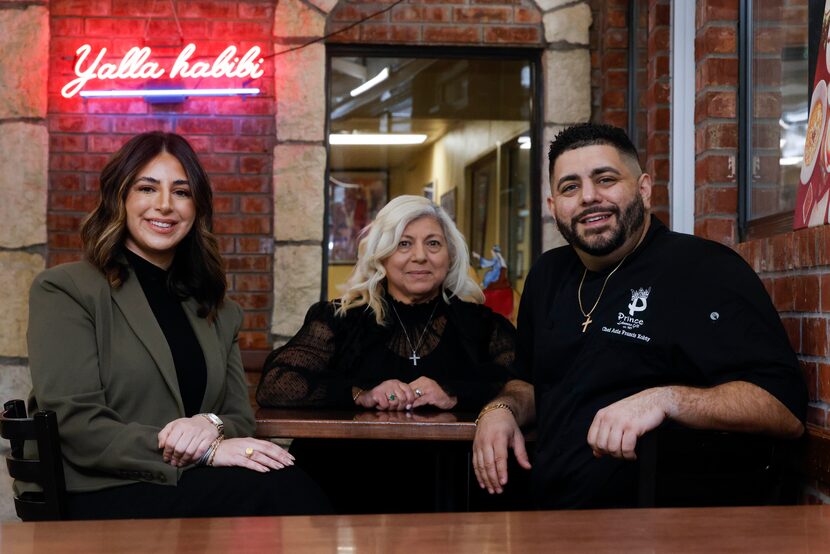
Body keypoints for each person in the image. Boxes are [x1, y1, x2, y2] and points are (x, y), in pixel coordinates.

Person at [472, 123, 808, 509]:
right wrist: (501, 410)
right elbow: (530, 382)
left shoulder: (704, 270)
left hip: (665, 531)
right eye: (570, 187)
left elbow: (783, 409)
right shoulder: (548, 275)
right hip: (553, 518)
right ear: (553, 207)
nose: (588, 197)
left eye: (606, 179)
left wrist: (666, 399)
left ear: (644, 189)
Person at [26, 131, 329, 519]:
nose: (165, 205)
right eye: (147, 188)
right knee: (281, 491)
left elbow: (238, 416)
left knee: (292, 474)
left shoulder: (216, 308)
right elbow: (76, 423)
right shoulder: (66, 289)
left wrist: (210, 423)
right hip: (98, 487)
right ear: (120, 197)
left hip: (187, 482)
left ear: (197, 208)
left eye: (182, 192)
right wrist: (206, 450)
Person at [256, 194, 516, 513]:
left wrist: (453, 393)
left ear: (450, 254)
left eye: (433, 244)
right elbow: (276, 384)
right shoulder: (340, 319)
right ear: (381, 255)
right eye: (404, 244)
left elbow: (521, 381)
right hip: (342, 489)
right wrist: (360, 395)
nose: (420, 256)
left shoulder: (479, 324)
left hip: (451, 491)